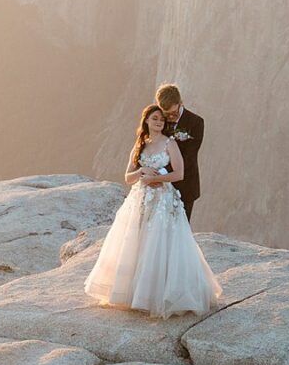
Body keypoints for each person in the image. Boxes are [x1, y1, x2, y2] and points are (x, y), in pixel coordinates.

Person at [83, 103, 222, 318]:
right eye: (155, 118)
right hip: (140, 199)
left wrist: (155, 178)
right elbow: (128, 177)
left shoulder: (170, 143)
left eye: (161, 120)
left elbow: (179, 174)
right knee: (137, 243)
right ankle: (134, 294)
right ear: (146, 120)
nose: (158, 122)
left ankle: (162, 295)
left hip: (163, 199)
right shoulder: (140, 144)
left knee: (161, 243)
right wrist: (141, 171)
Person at [155, 83, 203, 223]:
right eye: (166, 114)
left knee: (181, 227)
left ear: (180, 103)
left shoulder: (196, 123)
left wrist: (163, 173)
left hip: (185, 184)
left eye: (173, 113)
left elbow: (189, 156)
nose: (170, 117)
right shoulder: (159, 119)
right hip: (159, 186)